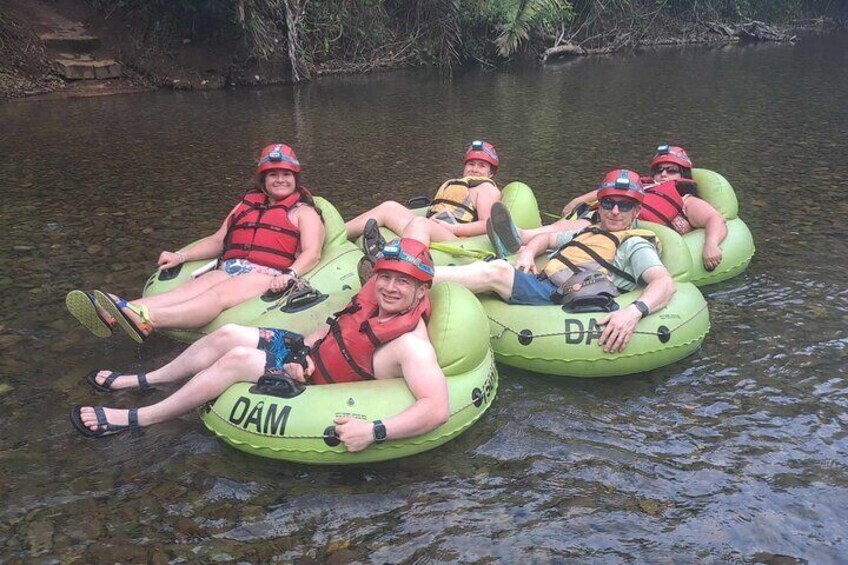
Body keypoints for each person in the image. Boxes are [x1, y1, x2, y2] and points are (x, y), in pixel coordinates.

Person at [70, 238, 450, 453]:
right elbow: (334, 326)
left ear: (421, 290)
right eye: (386, 277)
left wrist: (374, 431)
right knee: (228, 333)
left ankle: (139, 418)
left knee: (236, 358)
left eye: (403, 282)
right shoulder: (374, 296)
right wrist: (301, 354)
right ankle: (144, 380)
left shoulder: (412, 344)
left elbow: (437, 409)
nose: (390, 287)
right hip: (307, 355)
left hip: (327, 384)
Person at [65, 143, 326, 343]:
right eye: (273, 174)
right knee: (183, 293)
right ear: (263, 179)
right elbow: (217, 241)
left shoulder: (304, 212)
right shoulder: (246, 206)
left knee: (217, 296)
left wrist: (290, 275)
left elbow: (312, 253)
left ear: (296, 178)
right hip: (231, 267)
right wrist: (181, 256)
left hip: (266, 274)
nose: (280, 179)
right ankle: (117, 310)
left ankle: (148, 320)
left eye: (286, 174)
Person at [436, 169, 676, 354]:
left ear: (636, 211)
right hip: (542, 280)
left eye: (624, 205)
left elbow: (664, 282)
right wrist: (528, 253)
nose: (614, 211)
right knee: (488, 266)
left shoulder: (635, 244)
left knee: (495, 271)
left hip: (561, 296)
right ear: (599, 207)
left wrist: (634, 312)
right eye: (607, 203)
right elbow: (547, 238)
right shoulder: (590, 230)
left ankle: (420, 277)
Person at [552, 145, 728, 270]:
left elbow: (715, 219)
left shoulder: (686, 200)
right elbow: (606, 191)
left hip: (625, 235)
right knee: (557, 231)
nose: (663, 174)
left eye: (671, 170)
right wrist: (577, 201)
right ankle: (530, 241)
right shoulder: (642, 187)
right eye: (659, 170)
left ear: (684, 175)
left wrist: (711, 245)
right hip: (600, 222)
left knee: (567, 231)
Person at [344, 140, 502, 248]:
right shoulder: (460, 184)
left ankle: (402, 264)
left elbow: (487, 224)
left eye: (482, 166)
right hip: (435, 227)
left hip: (456, 238)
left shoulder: (486, 189)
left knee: (421, 223)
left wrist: (454, 229)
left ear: (491, 173)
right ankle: (336, 234)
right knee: (389, 207)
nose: (474, 169)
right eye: (471, 164)